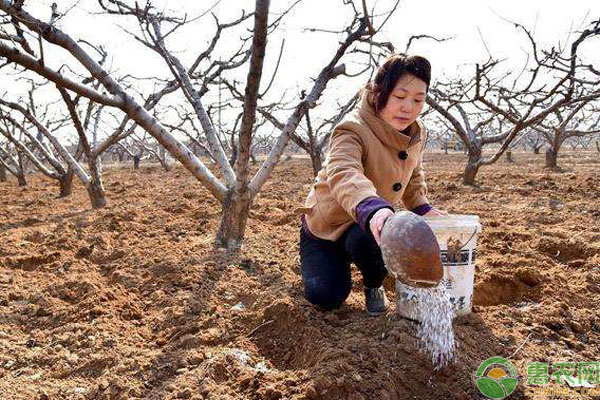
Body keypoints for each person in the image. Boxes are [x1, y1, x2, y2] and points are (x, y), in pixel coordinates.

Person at [297, 53, 446, 316]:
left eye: (418, 100)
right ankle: (330, 259)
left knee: (379, 237)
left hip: (367, 226)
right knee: (326, 296)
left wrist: (421, 206)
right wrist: (373, 207)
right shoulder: (352, 129)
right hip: (328, 225)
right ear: (380, 92)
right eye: (400, 97)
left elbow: (412, 173)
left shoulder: (416, 132)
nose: (408, 107)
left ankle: (373, 284)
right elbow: (344, 172)